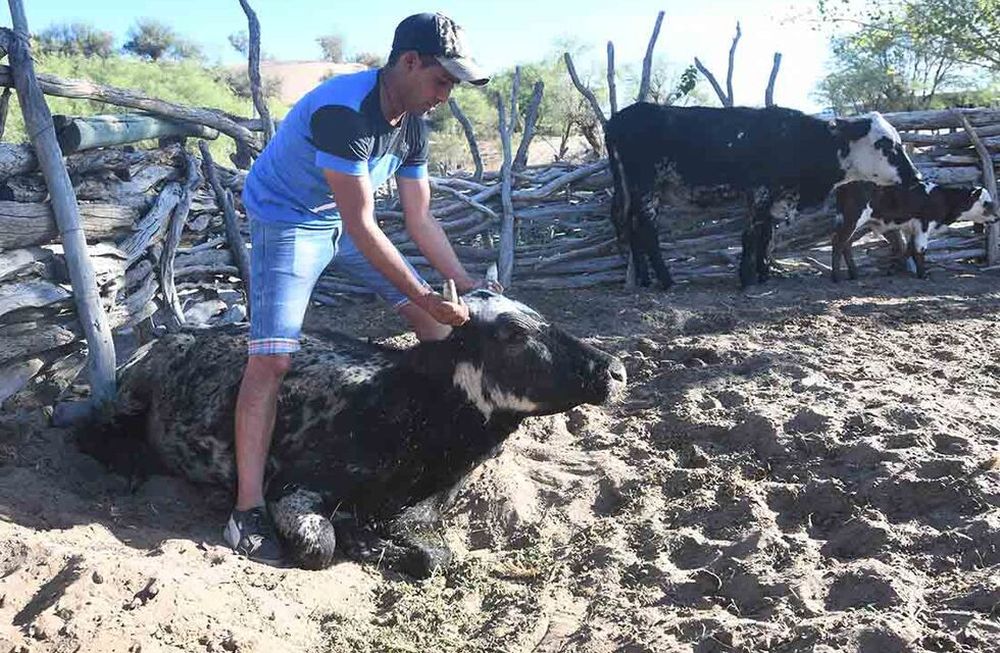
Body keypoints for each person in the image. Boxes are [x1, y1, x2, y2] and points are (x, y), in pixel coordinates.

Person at [223, 12, 493, 564]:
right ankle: (245, 509)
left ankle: (421, 443)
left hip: (340, 220)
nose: (447, 94)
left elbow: (420, 219)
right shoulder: (347, 113)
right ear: (409, 62)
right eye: (443, 80)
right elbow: (364, 226)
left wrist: (467, 285)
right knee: (272, 361)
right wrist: (422, 293)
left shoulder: (414, 119)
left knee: (439, 329)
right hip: (290, 219)